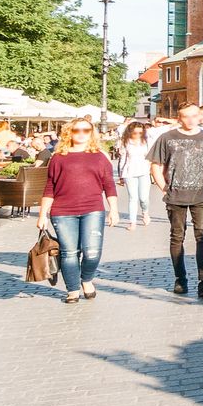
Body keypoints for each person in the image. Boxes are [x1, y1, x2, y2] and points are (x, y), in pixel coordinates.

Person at [38, 117, 118, 305]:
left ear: (91, 133)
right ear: (69, 133)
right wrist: (43, 214)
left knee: (92, 252)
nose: (81, 134)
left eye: (86, 130)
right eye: (77, 130)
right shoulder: (58, 157)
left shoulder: (99, 156)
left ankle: (86, 279)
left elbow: (109, 185)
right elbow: (50, 187)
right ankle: (72, 289)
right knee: (69, 252)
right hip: (63, 211)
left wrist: (113, 209)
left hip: (92, 209)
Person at [151, 103, 203, 299]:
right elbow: (155, 166)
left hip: (201, 195)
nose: (190, 120)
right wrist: (164, 188)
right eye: (186, 116)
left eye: (194, 116)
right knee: (177, 237)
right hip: (176, 195)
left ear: (199, 116)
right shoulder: (167, 138)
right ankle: (180, 279)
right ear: (179, 118)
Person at [114, 121, 154, 230]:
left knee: (144, 198)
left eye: (140, 133)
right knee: (133, 197)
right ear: (130, 132)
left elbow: (151, 157)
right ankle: (133, 222)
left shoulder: (147, 141)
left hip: (144, 171)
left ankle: (145, 212)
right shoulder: (125, 142)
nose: (137, 135)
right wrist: (121, 175)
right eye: (135, 133)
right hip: (129, 172)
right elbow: (122, 159)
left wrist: (152, 169)